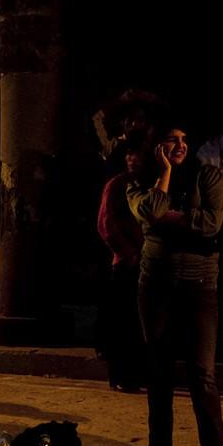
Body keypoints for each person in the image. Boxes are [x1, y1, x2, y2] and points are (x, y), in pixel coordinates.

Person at [128, 122, 223, 446]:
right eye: (171, 140)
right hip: (156, 285)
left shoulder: (208, 175)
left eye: (185, 139)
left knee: (202, 376)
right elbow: (149, 209)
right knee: (158, 373)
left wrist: (169, 219)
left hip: (199, 283)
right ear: (156, 146)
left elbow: (211, 224)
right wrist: (166, 174)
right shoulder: (140, 180)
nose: (179, 145)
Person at [95, 142, 150, 392]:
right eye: (129, 154)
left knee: (140, 322)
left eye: (137, 153)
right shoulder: (117, 185)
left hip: (149, 261)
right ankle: (122, 375)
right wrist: (127, 252)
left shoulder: (150, 184)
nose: (133, 158)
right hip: (127, 261)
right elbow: (106, 224)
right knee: (124, 321)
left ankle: (138, 374)